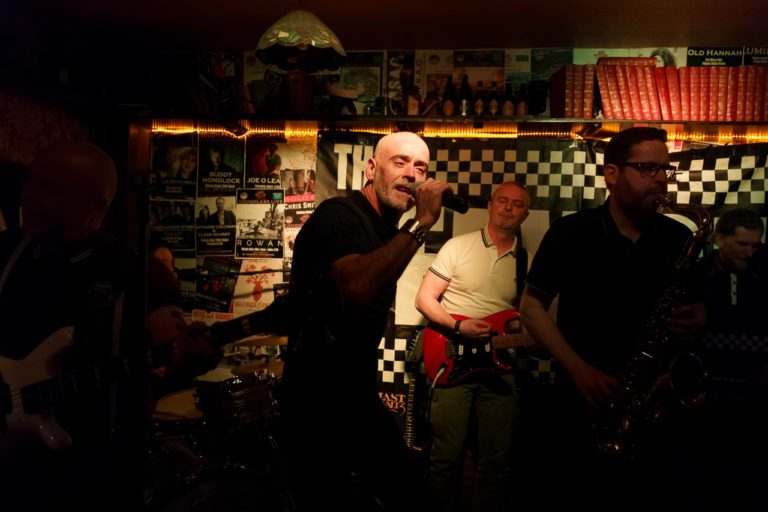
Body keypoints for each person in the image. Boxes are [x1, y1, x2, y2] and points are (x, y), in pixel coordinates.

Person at [0, 142, 217, 511]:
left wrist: (189, 354)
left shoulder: (137, 271)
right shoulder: (5, 252)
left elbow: (171, 341)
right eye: (30, 182)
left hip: (99, 479)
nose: (29, 197)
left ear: (94, 208)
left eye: (49, 187)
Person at [518, 127, 706, 511]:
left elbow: (697, 306)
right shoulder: (570, 232)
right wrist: (578, 369)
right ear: (611, 173)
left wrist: (702, 313)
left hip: (652, 405)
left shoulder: (678, 236)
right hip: (581, 399)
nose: (660, 180)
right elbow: (531, 307)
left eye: (665, 170)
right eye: (647, 168)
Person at [278, 131, 452, 511]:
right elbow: (356, 285)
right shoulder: (340, 214)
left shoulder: (385, 232)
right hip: (315, 402)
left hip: (351, 394)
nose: (411, 174)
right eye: (399, 162)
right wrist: (421, 223)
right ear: (372, 169)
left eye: (419, 167)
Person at [415, 181, 530, 512]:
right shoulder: (458, 246)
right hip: (451, 358)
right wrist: (457, 326)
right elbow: (424, 299)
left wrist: (529, 335)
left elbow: (527, 319)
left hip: (501, 365)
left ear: (526, 213)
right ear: (491, 207)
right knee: (445, 455)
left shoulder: (528, 260)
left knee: (498, 457)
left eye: (518, 204)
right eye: (503, 201)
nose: (509, 208)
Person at [691, 208, 767, 510]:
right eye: (742, 244)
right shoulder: (698, 276)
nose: (750, 253)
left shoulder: (765, 272)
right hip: (707, 398)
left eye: (755, 245)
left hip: (756, 397)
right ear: (719, 239)